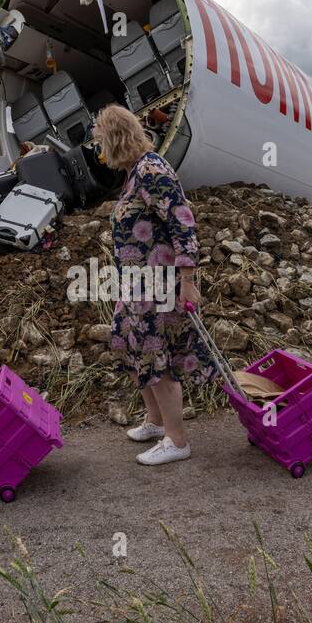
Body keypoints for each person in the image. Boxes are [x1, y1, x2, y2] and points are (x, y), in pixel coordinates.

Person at [96, 104, 217, 466]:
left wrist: (188, 282)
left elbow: (183, 224)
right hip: (136, 286)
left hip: (156, 285)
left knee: (156, 357)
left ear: (116, 139)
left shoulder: (151, 171)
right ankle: (154, 420)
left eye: (101, 143)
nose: (99, 152)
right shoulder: (135, 173)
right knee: (129, 346)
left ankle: (176, 440)